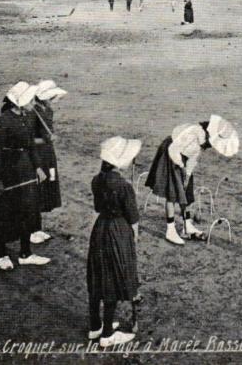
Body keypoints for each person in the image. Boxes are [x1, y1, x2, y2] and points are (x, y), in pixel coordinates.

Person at [0, 82, 50, 270]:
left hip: (25, 168)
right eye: (31, 101)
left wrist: (37, 167)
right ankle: (1, 254)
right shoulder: (2, 121)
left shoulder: (27, 117)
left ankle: (25, 253)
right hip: (6, 170)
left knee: (27, 209)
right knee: (3, 211)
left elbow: (30, 144)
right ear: (20, 102)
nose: (34, 104)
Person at [145, 115, 239, 245]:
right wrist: (181, 166)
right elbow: (173, 149)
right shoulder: (193, 133)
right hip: (171, 154)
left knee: (186, 191)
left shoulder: (203, 141)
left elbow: (193, 157)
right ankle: (170, 230)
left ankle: (187, 226)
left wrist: (187, 176)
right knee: (172, 193)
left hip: (183, 157)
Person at [87, 136, 142, 347]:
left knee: (98, 277)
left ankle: (95, 326)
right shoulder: (124, 186)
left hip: (100, 229)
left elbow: (98, 208)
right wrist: (133, 237)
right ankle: (108, 334)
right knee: (113, 279)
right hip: (118, 231)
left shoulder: (96, 179)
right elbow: (133, 218)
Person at [30, 80, 68, 245]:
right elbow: (28, 140)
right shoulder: (33, 112)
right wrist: (45, 139)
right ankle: (31, 230)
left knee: (45, 189)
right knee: (37, 190)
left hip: (47, 155)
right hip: (37, 156)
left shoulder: (46, 110)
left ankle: (37, 228)